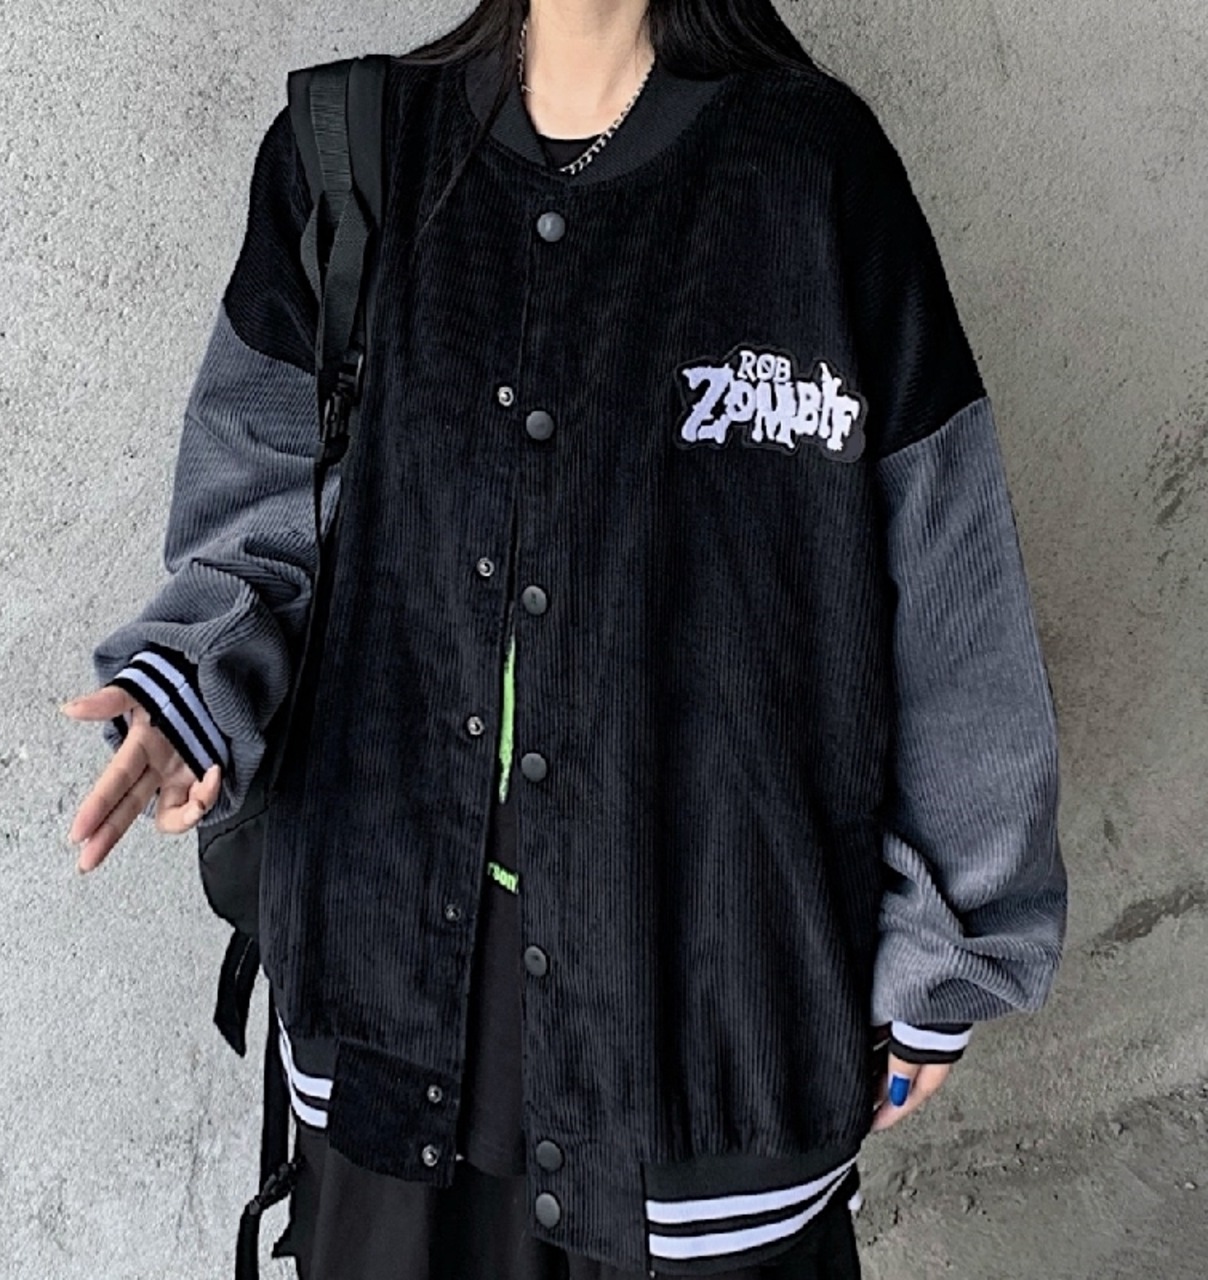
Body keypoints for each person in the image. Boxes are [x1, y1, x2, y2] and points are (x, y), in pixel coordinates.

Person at [61, 2, 1069, 1277]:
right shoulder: (350, 153)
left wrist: (947, 942)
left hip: (706, 1034)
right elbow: (264, 514)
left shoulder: (812, 173)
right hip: (390, 1012)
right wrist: (191, 685)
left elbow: (948, 588)